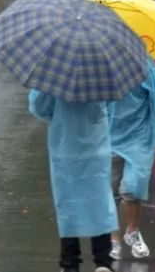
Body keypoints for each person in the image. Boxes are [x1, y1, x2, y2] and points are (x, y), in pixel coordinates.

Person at [28, 89, 116, 272]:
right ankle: (102, 260)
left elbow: (39, 107)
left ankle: (70, 261)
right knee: (99, 202)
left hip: (65, 146)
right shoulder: (99, 73)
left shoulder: (55, 76)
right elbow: (110, 103)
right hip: (96, 145)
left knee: (67, 204)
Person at [108, 57, 155, 261]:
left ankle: (133, 230)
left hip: (139, 136)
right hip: (107, 134)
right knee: (109, 189)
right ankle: (113, 239)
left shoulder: (144, 65)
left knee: (134, 185)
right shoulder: (98, 63)